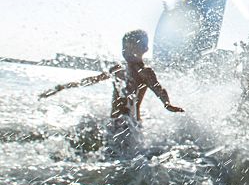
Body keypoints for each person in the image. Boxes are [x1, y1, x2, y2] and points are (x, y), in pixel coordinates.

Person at [39, 30, 184, 149]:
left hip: (131, 125)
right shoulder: (117, 69)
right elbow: (91, 80)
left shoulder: (145, 72)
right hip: (113, 122)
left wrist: (167, 104)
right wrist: (61, 87)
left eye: (132, 48)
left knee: (125, 155)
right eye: (124, 48)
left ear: (145, 49)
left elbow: (159, 89)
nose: (127, 52)